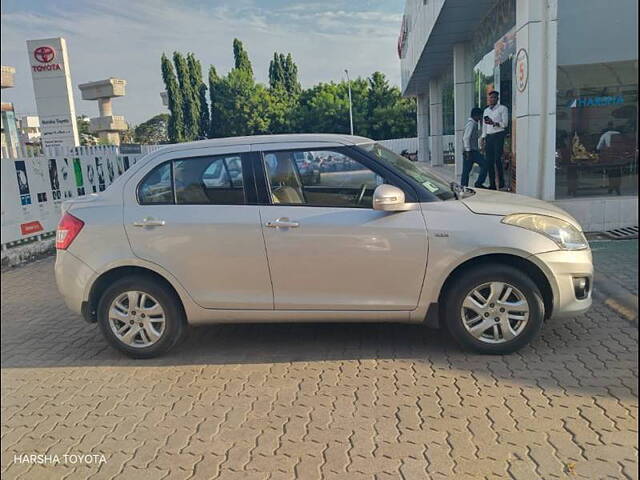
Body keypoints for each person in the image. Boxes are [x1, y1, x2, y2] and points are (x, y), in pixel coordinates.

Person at [480, 91, 509, 190]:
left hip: (498, 135)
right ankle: (492, 184)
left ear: (497, 98)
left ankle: (501, 183)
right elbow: (484, 125)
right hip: (489, 136)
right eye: (490, 98)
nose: (491, 99)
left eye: (494, 97)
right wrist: (483, 138)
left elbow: (505, 124)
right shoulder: (486, 111)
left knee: (497, 160)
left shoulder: (502, 109)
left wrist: (494, 123)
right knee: (489, 161)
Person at [461, 107, 487, 187]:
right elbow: (466, 138)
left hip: (471, 151)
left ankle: (464, 187)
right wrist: (468, 151)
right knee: (485, 164)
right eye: (480, 116)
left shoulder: (474, 124)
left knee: (466, 171)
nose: (481, 118)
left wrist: (483, 125)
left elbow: (478, 135)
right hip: (470, 151)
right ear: (476, 116)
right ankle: (477, 184)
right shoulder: (471, 124)